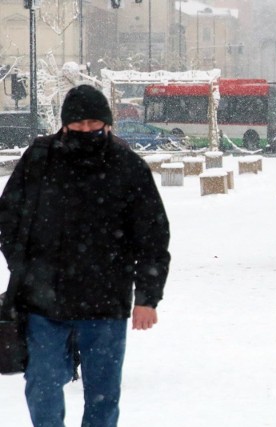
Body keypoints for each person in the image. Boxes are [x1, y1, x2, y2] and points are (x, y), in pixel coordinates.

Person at [0, 84, 171, 427]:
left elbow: (152, 237)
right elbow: (8, 217)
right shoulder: (39, 158)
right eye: (77, 124)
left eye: (94, 123)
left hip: (106, 303)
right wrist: (24, 266)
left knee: (103, 395)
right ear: (64, 124)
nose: (86, 130)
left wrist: (147, 299)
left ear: (107, 124)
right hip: (43, 301)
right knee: (42, 384)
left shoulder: (128, 166)